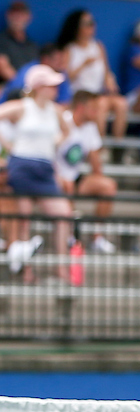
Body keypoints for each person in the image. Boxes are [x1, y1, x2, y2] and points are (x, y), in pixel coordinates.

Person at [0, 63, 72, 281]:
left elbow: (66, 132)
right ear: (39, 87)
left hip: (45, 168)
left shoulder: (56, 111)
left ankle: (61, 269)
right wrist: (8, 147)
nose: (56, 89)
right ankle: (26, 270)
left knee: (63, 215)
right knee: (24, 219)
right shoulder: (22, 107)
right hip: (21, 166)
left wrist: (53, 144)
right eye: (51, 85)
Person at [56, 89, 116, 253]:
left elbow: (95, 162)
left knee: (108, 186)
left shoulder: (90, 128)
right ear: (81, 107)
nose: (97, 113)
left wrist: (98, 179)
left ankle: (97, 237)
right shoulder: (62, 121)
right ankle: (69, 236)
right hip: (55, 177)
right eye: (94, 108)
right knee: (66, 185)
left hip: (74, 177)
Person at [56, 9, 126, 139]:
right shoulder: (69, 49)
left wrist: (110, 81)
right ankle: (100, 147)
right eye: (87, 23)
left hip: (98, 93)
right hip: (80, 95)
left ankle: (118, 148)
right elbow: (65, 78)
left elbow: (107, 71)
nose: (92, 26)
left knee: (121, 104)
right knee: (101, 105)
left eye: (92, 22)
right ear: (77, 26)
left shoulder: (99, 46)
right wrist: (83, 65)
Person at [4, 44, 71, 104]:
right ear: (45, 59)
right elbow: (13, 99)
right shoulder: (28, 72)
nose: (61, 65)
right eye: (57, 60)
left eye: (61, 61)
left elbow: (65, 102)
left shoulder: (60, 73)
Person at [0, 1, 37, 84]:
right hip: (9, 91)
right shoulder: (1, 40)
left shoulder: (32, 45)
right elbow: (3, 67)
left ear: (28, 17)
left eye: (21, 14)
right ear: (7, 15)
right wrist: (24, 86)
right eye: (14, 14)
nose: (17, 18)